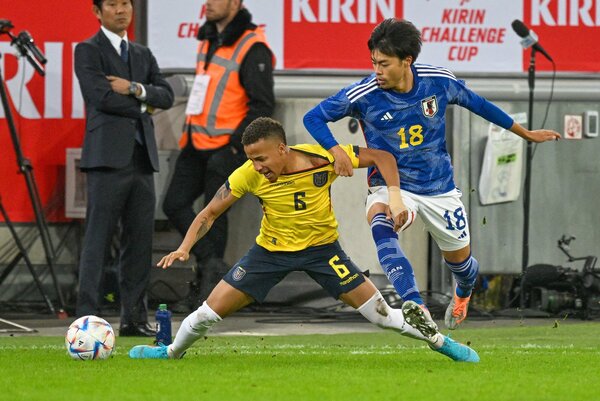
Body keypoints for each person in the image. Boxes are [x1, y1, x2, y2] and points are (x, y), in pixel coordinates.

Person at [129, 117, 479, 362]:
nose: (257, 166)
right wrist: (184, 247)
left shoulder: (322, 157)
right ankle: (171, 352)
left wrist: (395, 194)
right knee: (207, 313)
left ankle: (441, 342)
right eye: (252, 159)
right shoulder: (248, 174)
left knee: (383, 314)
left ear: (282, 148)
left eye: (262, 158)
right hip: (269, 253)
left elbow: (383, 157)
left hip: (323, 253)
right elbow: (207, 214)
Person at [303, 19, 561, 330]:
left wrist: (525, 133)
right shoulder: (363, 94)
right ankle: (416, 304)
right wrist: (335, 149)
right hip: (391, 183)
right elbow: (313, 117)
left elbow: (479, 104)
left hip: (439, 188)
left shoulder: (438, 82)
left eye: (384, 64)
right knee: (381, 220)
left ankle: (463, 292)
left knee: (463, 266)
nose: (377, 71)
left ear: (406, 61)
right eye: (374, 62)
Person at [162, 0, 275, 304]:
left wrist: (236, 147)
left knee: (216, 216)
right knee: (174, 204)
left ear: (236, 3)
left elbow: (262, 105)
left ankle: (208, 288)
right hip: (196, 143)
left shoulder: (253, 46)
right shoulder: (208, 37)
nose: (207, 3)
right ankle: (212, 263)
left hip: (227, 147)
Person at [74, 0, 174, 336]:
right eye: (113, 4)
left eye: (126, 4)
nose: (122, 10)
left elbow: (167, 95)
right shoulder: (87, 51)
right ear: (97, 11)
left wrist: (134, 89)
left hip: (142, 159)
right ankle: (86, 320)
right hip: (106, 159)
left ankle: (133, 319)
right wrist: (145, 105)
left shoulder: (143, 54)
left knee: (139, 243)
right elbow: (100, 97)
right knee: (97, 241)